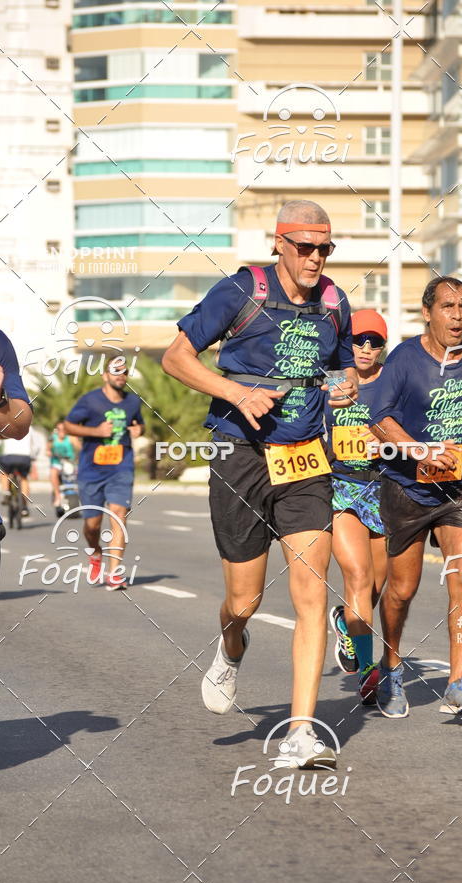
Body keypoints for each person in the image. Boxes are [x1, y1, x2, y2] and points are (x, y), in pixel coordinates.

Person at [162, 199, 358, 768]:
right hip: (240, 455)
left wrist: (343, 385)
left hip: (304, 458)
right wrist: (235, 392)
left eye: (325, 248)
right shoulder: (242, 290)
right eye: (306, 247)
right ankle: (231, 647)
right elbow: (176, 358)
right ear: (279, 244)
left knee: (312, 594)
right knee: (244, 600)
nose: (315, 258)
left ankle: (301, 733)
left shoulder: (334, 302)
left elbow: (341, 365)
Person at [369, 276, 462, 719]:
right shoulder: (404, 358)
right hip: (407, 487)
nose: (457, 315)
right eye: (448, 306)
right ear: (427, 312)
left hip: (458, 487)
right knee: (402, 589)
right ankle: (391, 665)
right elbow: (379, 417)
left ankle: (457, 683)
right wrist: (418, 450)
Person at [326, 309, 387, 706]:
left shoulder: (393, 383)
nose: (365, 348)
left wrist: (387, 440)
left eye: (374, 342)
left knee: (377, 586)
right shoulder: (331, 382)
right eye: (358, 340)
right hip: (341, 487)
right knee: (359, 576)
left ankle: (346, 624)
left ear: (382, 348)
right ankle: (368, 670)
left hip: (383, 489)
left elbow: (414, 430)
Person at [64, 355, 144, 590]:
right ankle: (95, 553)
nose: (121, 375)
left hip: (121, 466)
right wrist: (96, 432)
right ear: (105, 375)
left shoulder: (133, 402)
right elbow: (68, 426)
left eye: (124, 371)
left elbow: (139, 423)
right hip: (91, 470)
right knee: (92, 526)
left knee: (119, 514)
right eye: (115, 371)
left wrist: (139, 429)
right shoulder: (90, 401)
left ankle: (114, 572)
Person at [0, 329, 33, 577]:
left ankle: (15, 498)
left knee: (15, 475)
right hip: (10, 457)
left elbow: (20, 426)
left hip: (16, 456)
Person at [0, 426, 43, 518]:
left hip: (8, 456)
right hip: (24, 457)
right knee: (24, 478)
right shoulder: (29, 427)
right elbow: (37, 444)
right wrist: (34, 456)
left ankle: (6, 492)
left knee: (4, 472)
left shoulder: (6, 424)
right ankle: (24, 507)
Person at [47, 420, 79, 511]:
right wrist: (49, 452)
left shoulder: (71, 437)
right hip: (57, 463)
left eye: (64, 429)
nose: (61, 431)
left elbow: (80, 448)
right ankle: (57, 496)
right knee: (53, 473)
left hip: (70, 463)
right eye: (59, 429)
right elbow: (47, 450)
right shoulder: (53, 438)